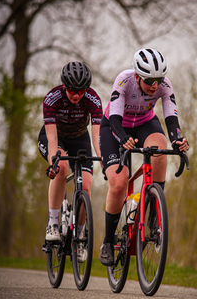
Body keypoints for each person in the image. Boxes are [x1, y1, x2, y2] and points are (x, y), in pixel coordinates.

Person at [99, 47, 189, 266]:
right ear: (138, 76)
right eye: (150, 80)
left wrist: (178, 139)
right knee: (119, 182)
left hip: (144, 123)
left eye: (158, 79)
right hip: (114, 126)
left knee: (160, 148)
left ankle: (152, 212)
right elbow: (115, 120)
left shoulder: (164, 86)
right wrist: (122, 139)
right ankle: (108, 242)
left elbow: (171, 119)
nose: (155, 85)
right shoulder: (124, 81)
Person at [38, 61, 103, 260]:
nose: (76, 95)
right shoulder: (52, 99)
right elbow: (51, 139)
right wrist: (53, 163)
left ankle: (81, 237)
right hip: (55, 137)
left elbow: (97, 137)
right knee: (62, 167)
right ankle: (53, 223)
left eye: (81, 91)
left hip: (79, 138)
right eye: (72, 91)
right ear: (64, 87)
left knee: (87, 184)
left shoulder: (93, 99)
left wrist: (104, 161)